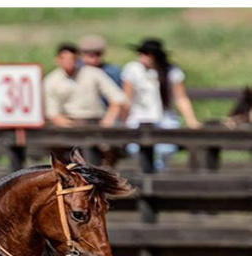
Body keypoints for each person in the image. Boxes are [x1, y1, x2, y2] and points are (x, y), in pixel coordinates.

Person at [122, 38, 200, 171]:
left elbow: (180, 98)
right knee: (137, 149)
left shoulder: (171, 71)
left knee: (165, 149)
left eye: (146, 54)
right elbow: (126, 98)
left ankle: (159, 177)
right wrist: (122, 120)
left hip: (164, 119)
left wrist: (191, 120)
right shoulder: (132, 69)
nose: (142, 57)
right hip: (139, 118)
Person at [43, 43, 127, 128]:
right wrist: (59, 120)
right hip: (69, 122)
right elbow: (51, 110)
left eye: (72, 58)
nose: (68, 62)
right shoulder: (51, 80)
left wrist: (109, 117)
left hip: (95, 121)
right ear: (57, 60)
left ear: (77, 59)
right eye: (64, 59)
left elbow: (117, 97)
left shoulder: (94, 73)